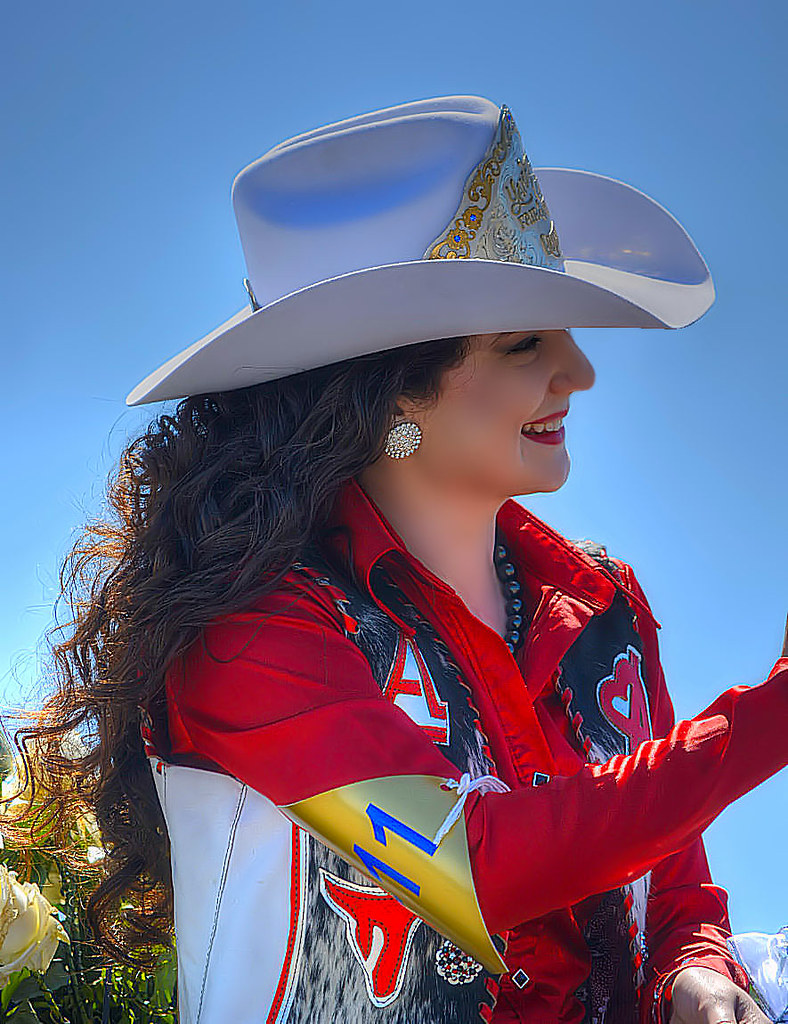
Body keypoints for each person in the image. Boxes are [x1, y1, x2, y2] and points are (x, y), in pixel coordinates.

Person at [11, 95, 788, 1024]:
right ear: (391, 394)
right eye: (525, 343)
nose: (580, 372)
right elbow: (463, 868)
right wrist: (772, 717)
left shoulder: (607, 608)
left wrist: (694, 974)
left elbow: (675, 890)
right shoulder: (249, 633)